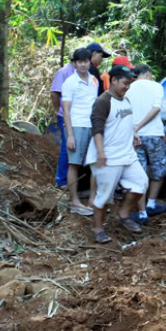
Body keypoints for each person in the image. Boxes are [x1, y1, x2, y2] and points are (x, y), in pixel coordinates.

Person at [84, 65, 148, 243]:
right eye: (125, 83)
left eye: (129, 84)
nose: (127, 87)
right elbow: (97, 129)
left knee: (140, 183)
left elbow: (125, 122)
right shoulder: (103, 101)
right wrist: (101, 153)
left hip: (127, 154)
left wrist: (133, 134)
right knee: (104, 195)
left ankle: (124, 213)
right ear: (113, 80)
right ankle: (97, 229)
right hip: (108, 156)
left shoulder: (125, 100)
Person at [126, 64, 166, 222]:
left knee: (139, 174)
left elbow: (125, 112)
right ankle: (151, 203)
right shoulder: (156, 86)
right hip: (154, 135)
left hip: (135, 136)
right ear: (148, 73)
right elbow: (156, 108)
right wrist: (142, 124)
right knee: (159, 169)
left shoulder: (128, 88)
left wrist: (135, 128)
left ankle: (142, 212)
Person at [61, 48, 99, 215]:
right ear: (75, 63)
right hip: (76, 126)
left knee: (96, 164)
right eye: (80, 61)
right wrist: (70, 135)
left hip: (92, 126)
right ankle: (75, 202)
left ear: (90, 62)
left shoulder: (94, 81)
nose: (83, 64)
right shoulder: (69, 82)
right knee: (74, 164)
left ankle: (92, 199)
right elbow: (66, 110)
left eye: (86, 61)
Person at [50, 57, 77, 188]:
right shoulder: (64, 72)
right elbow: (55, 93)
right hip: (65, 115)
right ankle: (61, 179)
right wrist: (57, 110)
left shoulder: (82, 74)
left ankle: (72, 179)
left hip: (78, 116)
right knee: (66, 146)